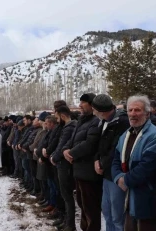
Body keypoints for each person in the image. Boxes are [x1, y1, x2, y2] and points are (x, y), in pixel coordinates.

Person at [112, 95, 156, 231]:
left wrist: (126, 181)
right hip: (130, 197)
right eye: (130, 110)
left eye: (137, 110)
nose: (132, 114)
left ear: (147, 114)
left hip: (147, 196)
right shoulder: (126, 134)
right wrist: (118, 178)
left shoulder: (155, 135)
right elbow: (116, 160)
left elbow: (147, 167)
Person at [62, 93, 101, 231]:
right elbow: (72, 140)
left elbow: (89, 144)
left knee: (91, 208)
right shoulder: (81, 120)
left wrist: (71, 153)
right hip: (78, 170)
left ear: (91, 105)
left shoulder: (96, 121)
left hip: (88, 172)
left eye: (83, 102)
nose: (79, 105)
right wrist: (65, 149)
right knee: (82, 205)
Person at [92, 94, 130, 231]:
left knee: (117, 216)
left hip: (117, 174)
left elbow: (117, 149)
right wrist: (96, 159)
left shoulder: (122, 122)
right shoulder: (103, 121)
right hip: (106, 175)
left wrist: (102, 164)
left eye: (94, 109)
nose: (93, 112)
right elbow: (100, 144)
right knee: (107, 212)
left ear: (101, 110)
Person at [50, 106, 78, 231]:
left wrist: (54, 157)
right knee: (65, 195)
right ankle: (66, 221)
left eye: (57, 117)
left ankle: (70, 225)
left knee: (67, 196)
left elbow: (62, 145)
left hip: (64, 165)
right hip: (62, 164)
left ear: (62, 116)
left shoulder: (69, 127)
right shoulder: (69, 126)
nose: (56, 120)